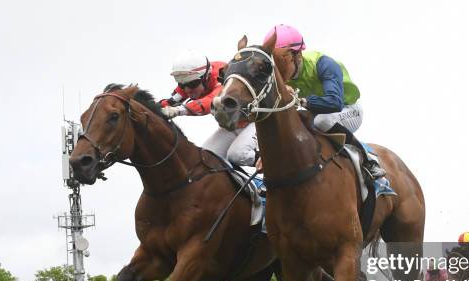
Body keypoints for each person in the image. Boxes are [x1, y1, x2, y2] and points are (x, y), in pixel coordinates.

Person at [265, 24, 386, 179]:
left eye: (282, 62)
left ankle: (369, 160)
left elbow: (334, 103)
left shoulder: (324, 64)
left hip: (347, 108)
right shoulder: (281, 79)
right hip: (318, 112)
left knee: (322, 121)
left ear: (297, 55)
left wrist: (300, 101)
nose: (279, 72)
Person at [161, 51, 259, 167]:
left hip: (257, 121)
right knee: (206, 159)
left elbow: (211, 101)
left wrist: (179, 110)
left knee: (237, 155)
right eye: (182, 85)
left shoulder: (222, 74)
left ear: (206, 76)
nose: (187, 90)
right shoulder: (191, 79)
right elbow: (168, 102)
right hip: (234, 125)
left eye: (192, 84)